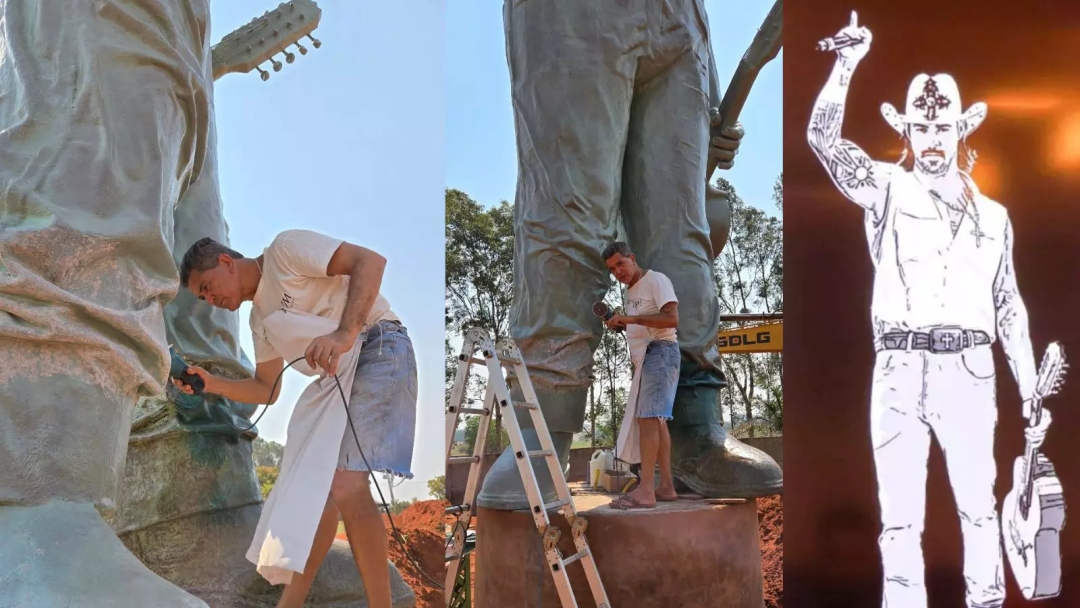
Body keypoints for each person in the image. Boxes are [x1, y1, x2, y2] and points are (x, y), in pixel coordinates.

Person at [477, 0, 782, 512]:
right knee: (566, 215)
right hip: (570, 16)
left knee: (681, 230)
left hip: (680, 20)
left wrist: (709, 91)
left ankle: (694, 426)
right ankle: (543, 429)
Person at [807, 12, 1052, 608]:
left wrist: (1028, 393)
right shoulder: (885, 187)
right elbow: (821, 139)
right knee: (899, 520)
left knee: (978, 508)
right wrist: (846, 64)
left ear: (963, 127)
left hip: (969, 367)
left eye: (944, 127)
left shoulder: (994, 217)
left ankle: (987, 601)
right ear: (905, 128)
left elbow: (1010, 305)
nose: (934, 140)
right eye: (922, 127)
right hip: (897, 367)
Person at [173, 229, 417, 608]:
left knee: (345, 484)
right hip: (336, 378)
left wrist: (344, 333)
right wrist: (211, 383)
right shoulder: (260, 322)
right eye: (202, 297)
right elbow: (266, 388)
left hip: (377, 345)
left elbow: (369, 261)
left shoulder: (284, 252)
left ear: (225, 263)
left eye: (207, 287)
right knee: (311, 493)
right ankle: (291, 603)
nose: (210, 300)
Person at [600, 242, 680, 510]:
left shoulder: (655, 279)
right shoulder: (632, 290)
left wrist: (631, 320)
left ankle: (646, 491)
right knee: (657, 422)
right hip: (648, 358)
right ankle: (666, 487)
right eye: (612, 269)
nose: (618, 272)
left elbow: (671, 319)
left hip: (660, 352)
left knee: (648, 420)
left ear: (632, 258)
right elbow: (643, 323)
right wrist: (622, 323)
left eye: (620, 264)